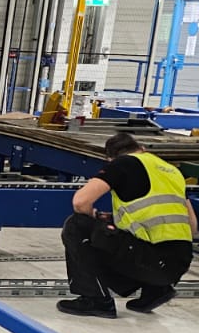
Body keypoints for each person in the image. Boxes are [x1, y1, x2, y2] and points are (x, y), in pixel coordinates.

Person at [58, 130, 196, 318]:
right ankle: (155, 290)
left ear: (110, 159)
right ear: (142, 148)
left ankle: (96, 300)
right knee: (116, 234)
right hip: (177, 265)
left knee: (77, 225)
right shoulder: (172, 171)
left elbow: (80, 203)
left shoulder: (122, 163)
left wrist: (95, 217)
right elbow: (192, 226)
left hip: (150, 261)